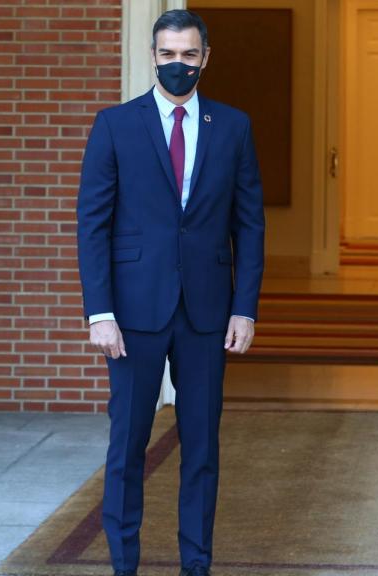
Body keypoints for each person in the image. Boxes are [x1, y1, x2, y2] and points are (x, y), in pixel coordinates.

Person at [76, 10, 264, 576]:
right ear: (152, 56)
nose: (176, 64)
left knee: (201, 448)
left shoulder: (233, 126)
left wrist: (244, 307)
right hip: (132, 312)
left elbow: (249, 224)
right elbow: (93, 223)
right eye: (167, 54)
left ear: (205, 57)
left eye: (188, 54)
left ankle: (195, 564)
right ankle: (124, 563)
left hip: (207, 311)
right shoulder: (114, 124)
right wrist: (100, 312)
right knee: (128, 445)